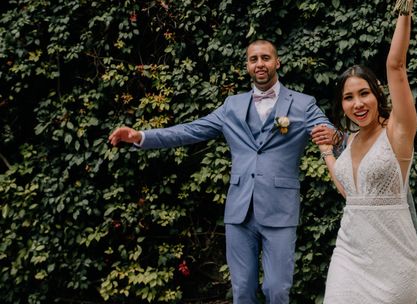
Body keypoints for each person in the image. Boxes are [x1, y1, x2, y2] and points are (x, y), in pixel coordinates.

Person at [108, 39, 339, 304]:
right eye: (253, 59)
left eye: (265, 58)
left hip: (280, 210)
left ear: (277, 62)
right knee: (241, 290)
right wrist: (141, 136)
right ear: (247, 66)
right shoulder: (232, 106)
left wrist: (334, 135)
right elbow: (190, 130)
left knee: (277, 289)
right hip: (239, 212)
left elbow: (331, 131)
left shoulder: (303, 103)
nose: (259, 64)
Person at [311, 0, 417, 304]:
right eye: (349, 98)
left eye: (364, 93)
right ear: (342, 106)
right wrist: (327, 152)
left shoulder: (397, 132)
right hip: (349, 256)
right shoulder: (348, 142)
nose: (357, 103)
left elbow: (396, 66)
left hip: (394, 265)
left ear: (378, 96)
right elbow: (350, 191)